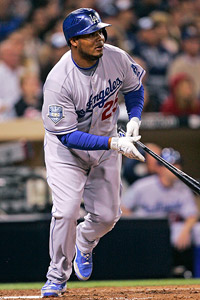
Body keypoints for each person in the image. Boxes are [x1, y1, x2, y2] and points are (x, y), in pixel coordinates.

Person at [41, 8, 146, 297]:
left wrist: (134, 118)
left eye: (100, 31)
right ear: (73, 41)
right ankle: (56, 277)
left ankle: (84, 242)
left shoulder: (116, 56)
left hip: (106, 143)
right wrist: (114, 143)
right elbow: (66, 135)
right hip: (67, 153)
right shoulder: (59, 80)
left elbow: (135, 89)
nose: (99, 38)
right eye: (90, 34)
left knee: (108, 216)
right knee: (65, 211)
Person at [121, 147, 199, 275]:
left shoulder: (182, 188)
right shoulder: (143, 186)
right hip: (146, 230)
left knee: (197, 230)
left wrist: (185, 231)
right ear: (161, 167)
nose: (177, 168)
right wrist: (137, 224)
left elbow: (192, 214)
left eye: (178, 164)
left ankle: (193, 273)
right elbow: (123, 209)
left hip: (172, 229)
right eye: (172, 165)